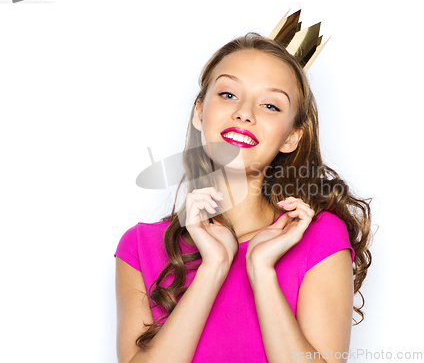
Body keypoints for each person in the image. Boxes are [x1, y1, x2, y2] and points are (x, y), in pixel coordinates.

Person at [115, 29, 372, 363]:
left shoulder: (318, 235)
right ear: (199, 112)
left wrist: (262, 271)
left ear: (291, 137)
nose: (245, 113)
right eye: (228, 94)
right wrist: (214, 267)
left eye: (270, 105)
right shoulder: (139, 246)